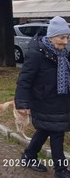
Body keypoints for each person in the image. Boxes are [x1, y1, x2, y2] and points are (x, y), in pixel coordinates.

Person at [15, 16, 70, 177]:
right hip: (43, 101)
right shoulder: (36, 54)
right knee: (57, 132)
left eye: (67, 37)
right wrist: (22, 104)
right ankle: (60, 170)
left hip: (61, 100)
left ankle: (29, 155)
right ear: (51, 36)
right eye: (62, 37)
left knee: (45, 129)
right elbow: (24, 80)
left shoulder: (63, 55)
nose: (65, 42)